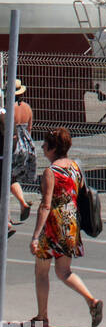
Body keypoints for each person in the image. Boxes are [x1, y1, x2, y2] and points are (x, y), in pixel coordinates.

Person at [29, 126, 102, 327]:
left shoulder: (50, 172)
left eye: (45, 144)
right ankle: (91, 301)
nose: (42, 147)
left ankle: (42, 316)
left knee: (41, 271)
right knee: (64, 271)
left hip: (52, 224)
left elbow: (46, 204)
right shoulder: (75, 167)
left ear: (52, 149)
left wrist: (36, 235)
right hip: (71, 223)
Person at [0, 80, 36, 236]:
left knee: (7, 180)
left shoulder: (8, 110)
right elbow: (29, 127)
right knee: (11, 179)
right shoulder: (27, 108)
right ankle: (22, 203)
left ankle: (7, 218)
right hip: (25, 144)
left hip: (12, 145)